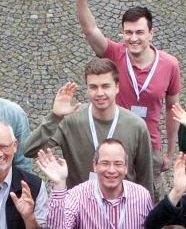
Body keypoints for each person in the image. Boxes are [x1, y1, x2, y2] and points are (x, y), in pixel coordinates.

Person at [72, 0, 182, 158]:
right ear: (122, 33)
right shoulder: (115, 53)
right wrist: (81, 0)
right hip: (115, 145)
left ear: (151, 34)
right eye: (128, 32)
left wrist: (170, 152)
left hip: (150, 145)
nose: (133, 38)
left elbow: (172, 110)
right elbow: (90, 30)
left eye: (140, 32)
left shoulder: (170, 64)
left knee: (150, 189)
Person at [27, 61, 156, 190]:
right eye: (93, 87)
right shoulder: (69, 120)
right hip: (79, 205)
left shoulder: (136, 126)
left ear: (117, 87)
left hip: (123, 205)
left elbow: (145, 178)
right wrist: (55, 116)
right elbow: (29, 150)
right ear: (87, 89)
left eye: (105, 86)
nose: (99, 93)